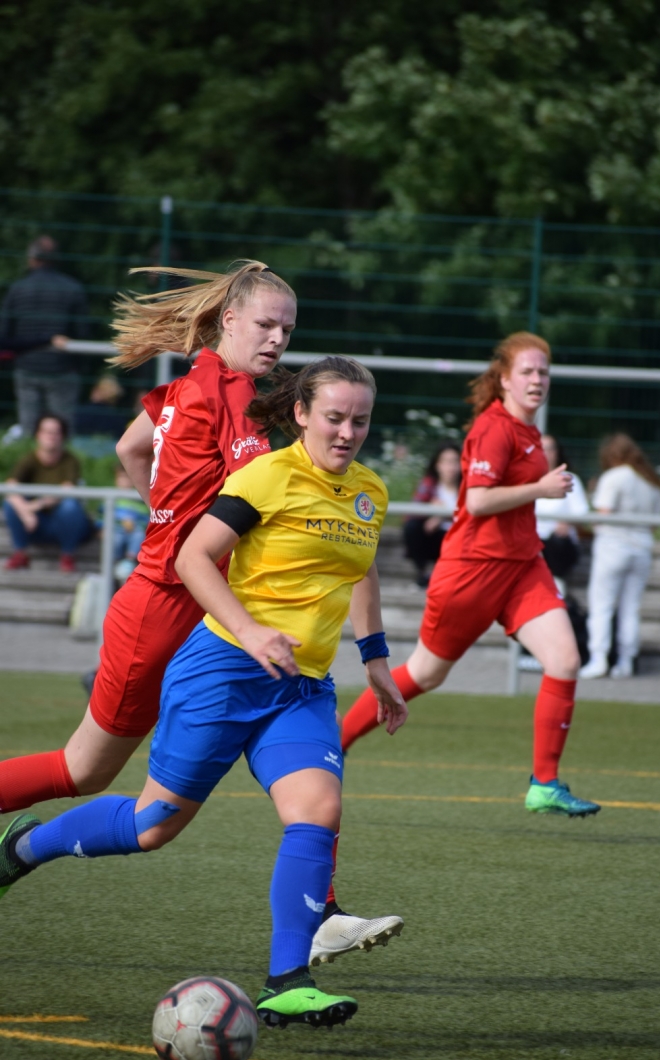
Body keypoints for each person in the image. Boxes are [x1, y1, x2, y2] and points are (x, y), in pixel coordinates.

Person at [0, 260, 401, 963]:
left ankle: (322, 913)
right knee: (85, 770)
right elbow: (263, 487)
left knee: (307, 775)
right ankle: (22, 848)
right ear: (229, 320)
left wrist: (166, 516)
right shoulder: (235, 395)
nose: (277, 340)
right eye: (266, 325)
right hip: (165, 607)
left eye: (288, 330)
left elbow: (131, 447)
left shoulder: (195, 382)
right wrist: (179, 536)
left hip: (209, 604)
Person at [341, 332, 601, 817]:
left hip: (523, 566)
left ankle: (544, 785)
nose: (537, 380)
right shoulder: (493, 427)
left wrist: (539, 490)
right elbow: (478, 501)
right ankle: (336, 742)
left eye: (544, 372)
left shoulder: (528, 431)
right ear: (504, 379)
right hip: (472, 570)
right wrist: (541, 489)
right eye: (527, 371)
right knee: (426, 673)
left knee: (565, 660)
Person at [579, 433, 660, 680]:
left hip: (613, 546)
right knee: (631, 609)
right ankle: (626, 662)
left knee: (601, 605)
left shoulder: (614, 477)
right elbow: (654, 525)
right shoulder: (651, 481)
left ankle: (598, 659)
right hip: (642, 548)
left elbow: (603, 514)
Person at [0, 236, 90, 436]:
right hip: (62, 367)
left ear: (32, 258)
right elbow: (82, 332)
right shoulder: (72, 288)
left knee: (29, 428)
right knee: (62, 430)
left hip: (26, 367)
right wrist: (78, 366)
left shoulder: (17, 289)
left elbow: (5, 333)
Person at [3, 413, 95, 572]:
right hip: (34, 523)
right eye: (46, 431)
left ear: (63, 436)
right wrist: (25, 512)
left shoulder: (70, 461)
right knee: (11, 503)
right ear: (38, 434)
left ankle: (67, 554)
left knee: (69, 506)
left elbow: (67, 490)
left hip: (62, 523)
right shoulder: (28, 460)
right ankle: (20, 552)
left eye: (55, 432)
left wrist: (33, 507)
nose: (51, 436)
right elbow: (11, 486)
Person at [402, 442, 461, 586]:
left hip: (458, 537)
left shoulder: (467, 486)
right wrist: (431, 513)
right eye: (446, 462)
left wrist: (441, 515)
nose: (451, 467)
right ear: (437, 464)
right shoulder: (428, 484)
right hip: (434, 538)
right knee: (412, 527)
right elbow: (412, 513)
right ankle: (424, 571)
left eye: (455, 461)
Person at [534, 434, 589, 588]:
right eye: (542, 449)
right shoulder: (527, 479)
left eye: (550, 449)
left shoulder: (569, 479)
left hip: (556, 546)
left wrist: (567, 522)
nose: (546, 454)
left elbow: (582, 514)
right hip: (532, 542)